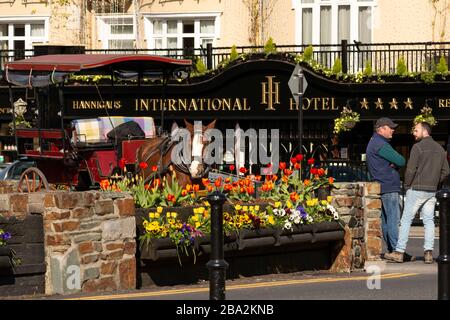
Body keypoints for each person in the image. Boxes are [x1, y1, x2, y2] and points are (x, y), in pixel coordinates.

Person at [384, 122, 449, 264]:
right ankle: (428, 253)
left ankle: (399, 252)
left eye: (416, 130)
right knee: (429, 221)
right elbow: (446, 171)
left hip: (417, 189)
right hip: (432, 190)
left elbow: (411, 169)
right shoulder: (440, 149)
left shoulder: (417, 147)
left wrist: (407, 185)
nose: (413, 132)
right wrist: (435, 181)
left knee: (406, 220)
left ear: (425, 131)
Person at [366, 117, 406, 257]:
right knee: (393, 220)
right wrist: (394, 163)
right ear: (382, 128)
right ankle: (396, 250)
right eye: (391, 127)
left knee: (386, 220)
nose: (393, 130)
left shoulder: (374, 141)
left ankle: (391, 249)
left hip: (381, 185)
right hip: (389, 185)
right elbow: (401, 160)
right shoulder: (381, 144)